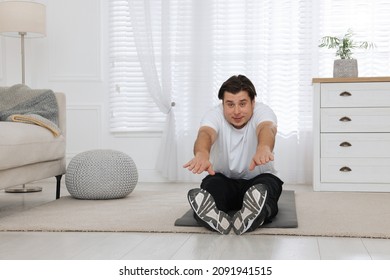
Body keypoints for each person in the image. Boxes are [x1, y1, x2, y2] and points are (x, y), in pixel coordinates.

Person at [183, 74, 283, 235]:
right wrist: (201, 154)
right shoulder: (213, 115)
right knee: (211, 185)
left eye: (242, 104)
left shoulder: (263, 112)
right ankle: (214, 216)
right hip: (224, 179)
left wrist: (264, 148)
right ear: (223, 104)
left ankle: (255, 213)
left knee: (267, 188)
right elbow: (206, 134)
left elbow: (267, 128)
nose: (236, 111)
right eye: (230, 104)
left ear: (252, 102)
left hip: (258, 179)